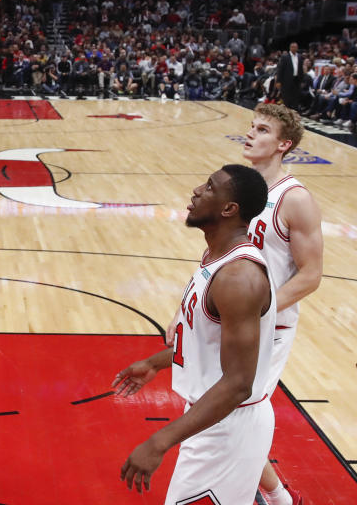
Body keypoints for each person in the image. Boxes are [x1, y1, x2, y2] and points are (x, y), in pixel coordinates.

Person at [115, 164, 274, 504]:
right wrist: (156, 362)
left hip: (229, 426)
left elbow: (238, 383)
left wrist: (159, 441)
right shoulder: (214, 258)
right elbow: (203, 339)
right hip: (214, 418)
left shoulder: (238, 279)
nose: (197, 190)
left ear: (229, 209)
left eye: (211, 187)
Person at [243, 104, 322, 505]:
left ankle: (275, 497)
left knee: (236, 412)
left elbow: (310, 275)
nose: (250, 134)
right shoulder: (241, 188)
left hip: (268, 327)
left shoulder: (295, 199)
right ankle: (270, 494)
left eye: (261, 129)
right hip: (230, 321)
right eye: (251, 127)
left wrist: (261, 310)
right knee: (217, 410)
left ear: (283, 144)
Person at [276, 42, 304, 111]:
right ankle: (286, 113)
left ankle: (294, 113)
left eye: (295, 47)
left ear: (297, 48)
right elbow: (280, 69)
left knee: (295, 98)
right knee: (286, 98)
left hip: (296, 79)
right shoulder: (285, 57)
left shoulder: (300, 57)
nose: (294, 48)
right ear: (290, 48)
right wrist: (278, 81)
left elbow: (301, 70)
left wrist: (302, 80)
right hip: (286, 80)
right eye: (292, 47)